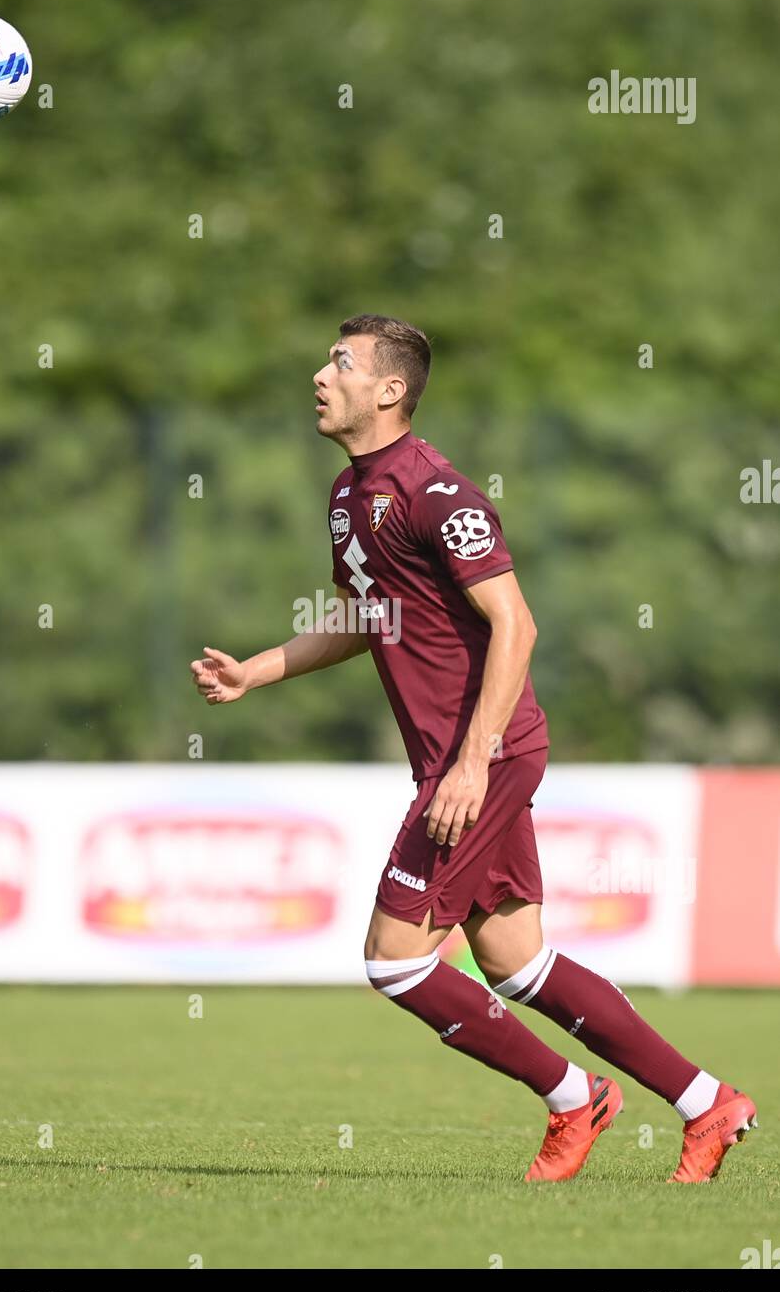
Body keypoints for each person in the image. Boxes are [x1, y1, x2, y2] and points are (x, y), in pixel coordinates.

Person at [191, 313, 757, 1183]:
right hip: (458, 760)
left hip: (482, 757)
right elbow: (365, 617)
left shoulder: (437, 493)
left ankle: (575, 1098)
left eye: (339, 363)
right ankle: (707, 1103)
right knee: (516, 962)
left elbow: (515, 625)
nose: (319, 374)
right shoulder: (349, 495)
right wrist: (254, 672)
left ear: (389, 390)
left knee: (395, 961)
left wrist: (472, 759)